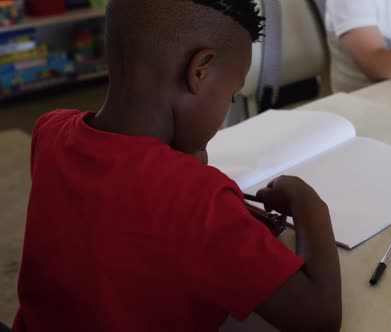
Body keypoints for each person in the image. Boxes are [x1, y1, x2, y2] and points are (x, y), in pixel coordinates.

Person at [13, 0, 342, 331]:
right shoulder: (198, 198)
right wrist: (310, 206)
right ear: (200, 71)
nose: (228, 103)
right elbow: (319, 317)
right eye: (231, 94)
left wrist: (182, 162)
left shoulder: (50, 131)